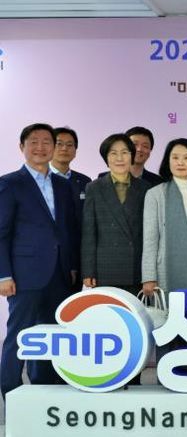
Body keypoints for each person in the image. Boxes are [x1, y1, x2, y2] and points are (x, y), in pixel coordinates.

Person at [1, 123, 78, 398]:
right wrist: (3, 275)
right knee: (20, 335)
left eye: (47, 142)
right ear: (22, 147)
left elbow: (67, 230)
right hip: (24, 274)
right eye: (34, 142)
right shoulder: (10, 183)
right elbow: (1, 233)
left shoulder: (63, 185)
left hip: (59, 273)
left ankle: (44, 391)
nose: (41, 147)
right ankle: (11, 392)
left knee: (51, 336)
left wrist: (72, 266)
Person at [141, 138, 187, 303]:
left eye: (186, 157)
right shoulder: (155, 194)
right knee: (167, 312)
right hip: (164, 269)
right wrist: (149, 277)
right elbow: (150, 239)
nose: (180, 162)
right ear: (168, 161)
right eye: (175, 157)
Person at [81, 134, 150, 293]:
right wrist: (88, 270)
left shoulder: (145, 188)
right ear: (106, 158)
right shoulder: (94, 188)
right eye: (113, 153)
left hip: (136, 267)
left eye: (125, 152)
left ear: (132, 156)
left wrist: (150, 272)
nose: (120, 158)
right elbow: (89, 232)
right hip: (105, 268)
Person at [50, 127, 91, 292]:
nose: (64, 148)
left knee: (70, 306)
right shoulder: (40, 180)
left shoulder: (85, 182)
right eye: (59, 144)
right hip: (44, 259)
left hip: (75, 260)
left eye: (70, 145)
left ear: (75, 151)